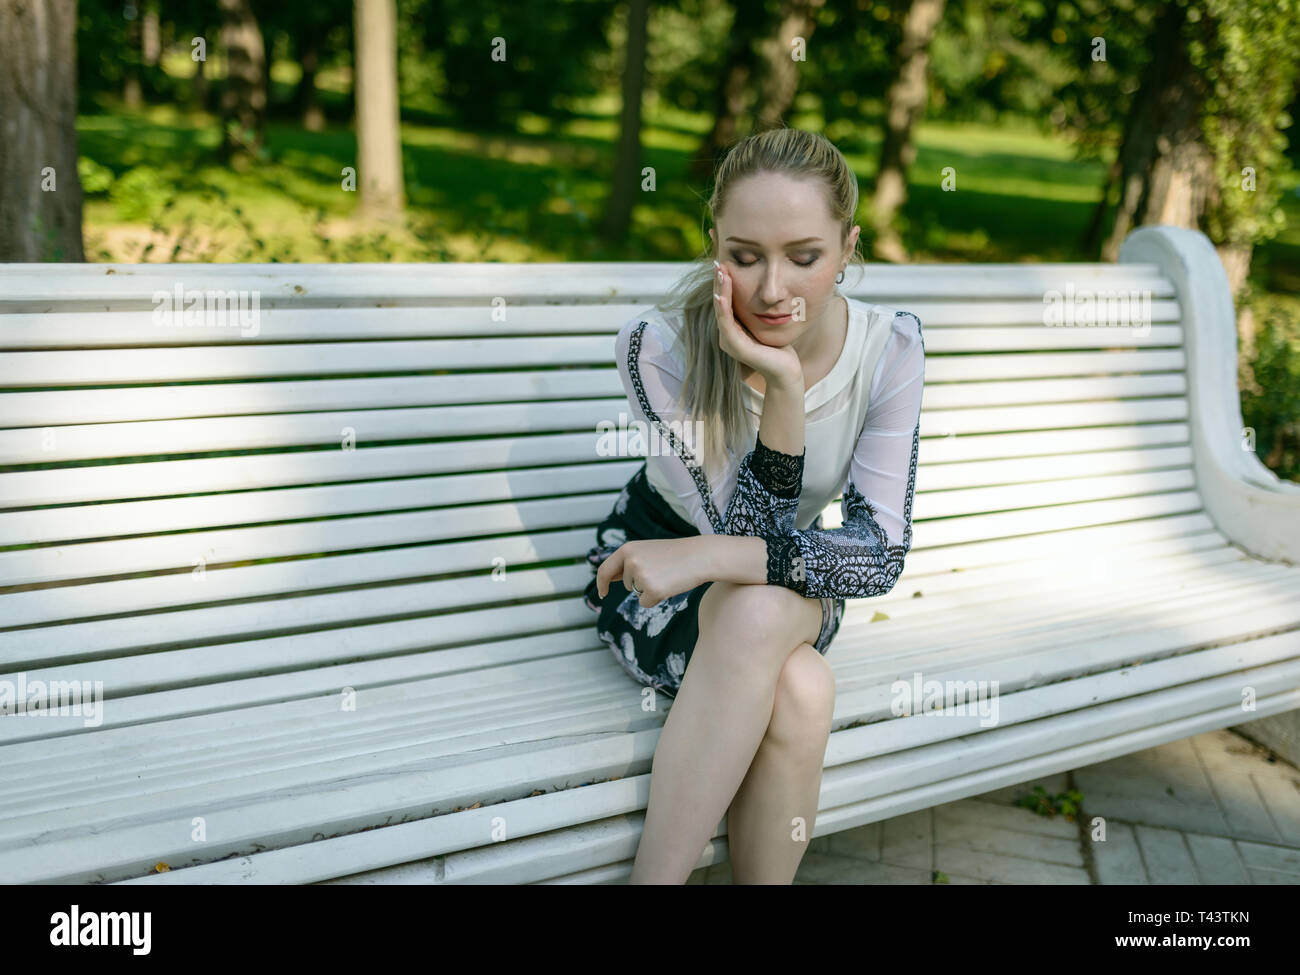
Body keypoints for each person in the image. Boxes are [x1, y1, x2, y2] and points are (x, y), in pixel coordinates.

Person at [582, 126, 926, 884]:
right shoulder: (661, 348)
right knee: (803, 683)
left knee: (763, 612)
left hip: (753, 576)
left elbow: (878, 553)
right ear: (714, 244)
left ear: (848, 247)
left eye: (804, 257)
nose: (773, 289)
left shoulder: (889, 348)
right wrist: (784, 387)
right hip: (654, 586)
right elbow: (746, 538)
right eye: (745, 256)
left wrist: (784, 383)